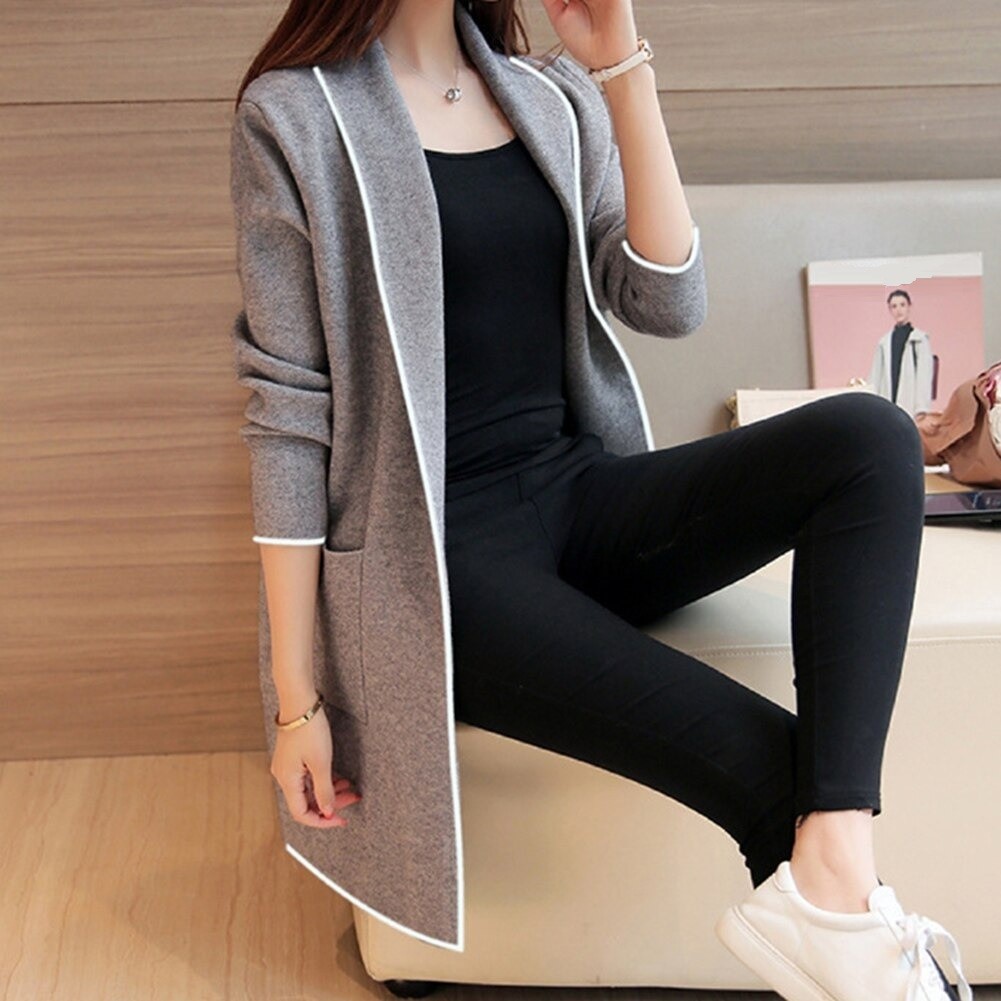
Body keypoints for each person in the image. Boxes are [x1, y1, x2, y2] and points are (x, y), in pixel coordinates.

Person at [228, 1, 973, 997]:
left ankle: (835, 908)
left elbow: (667, 298)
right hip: (437, 564)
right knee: (767, 759)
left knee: (868, 438)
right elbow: (288, 417)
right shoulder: (294, 117)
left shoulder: (546, 96)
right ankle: (863, 943)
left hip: (579, 495)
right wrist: (297, 701)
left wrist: (620, 68)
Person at [867, 289, 936, 417]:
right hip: (888, 404)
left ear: (909, 306)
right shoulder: (884, 342)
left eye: (902, 305)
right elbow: (875, 376)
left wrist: (921, 408)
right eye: (894, 306)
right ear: (890, 310)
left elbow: (924, 376)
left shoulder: (919, 340)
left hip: (911, 404)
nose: (899, 310)